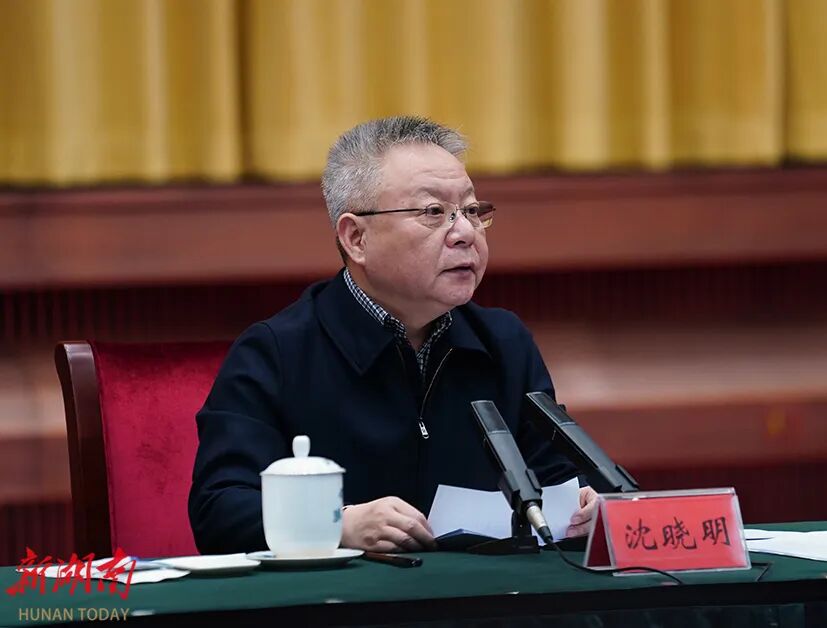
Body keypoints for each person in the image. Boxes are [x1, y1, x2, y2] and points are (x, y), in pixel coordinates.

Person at [189, 116, 597, 554]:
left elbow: (559, 478)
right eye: (433, 213)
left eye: (471, 211)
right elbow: (220, 510)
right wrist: (338, 525)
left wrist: (588, 506)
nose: (465, 233)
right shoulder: (276, 352)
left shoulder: (503, 341)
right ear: (356, 238)